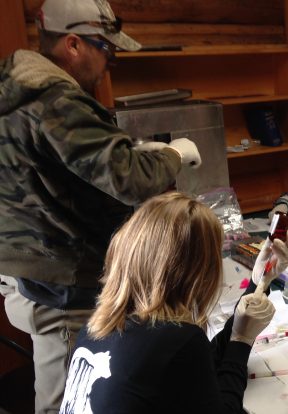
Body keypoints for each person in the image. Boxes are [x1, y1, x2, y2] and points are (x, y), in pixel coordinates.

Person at [0, 0, 201, 411]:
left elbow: (59, 171)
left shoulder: (17, 91)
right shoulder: (56, 101)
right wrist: (174, 155)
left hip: (33, 267)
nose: (108, 61)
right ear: (73, 44)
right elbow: (131, 179)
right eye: (104, 48)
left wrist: (128, 151)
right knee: (69, 402)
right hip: (64, 287)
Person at [58, 192, 288, 413]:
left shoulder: (98, 326)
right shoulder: (177, 339)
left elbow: (198, 368)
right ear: (193, 271)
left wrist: (260, 282)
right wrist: (241, 342)